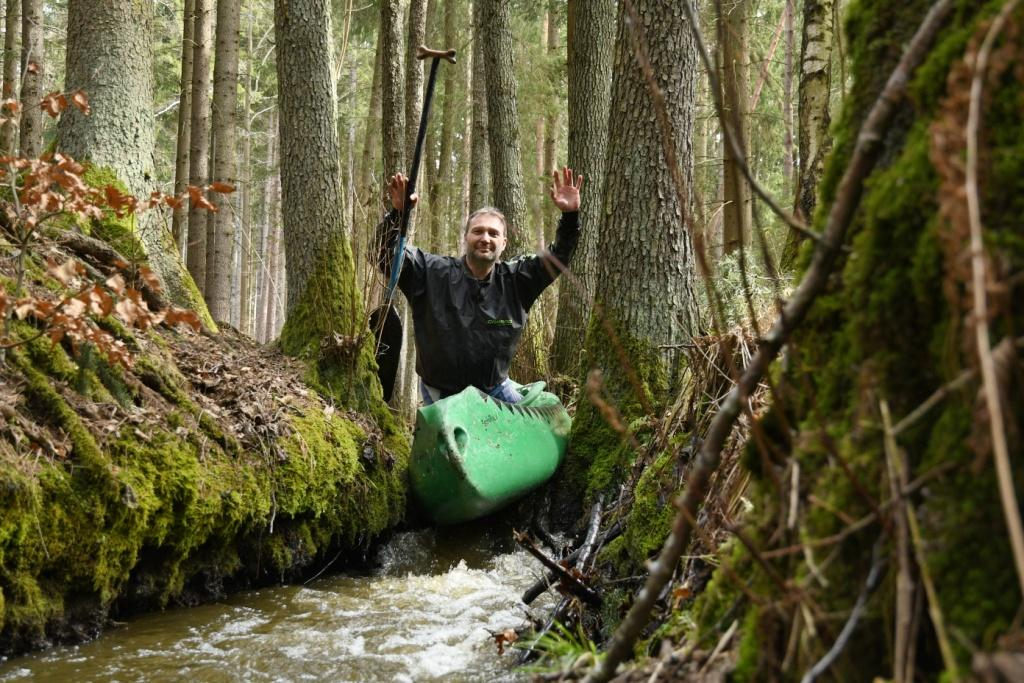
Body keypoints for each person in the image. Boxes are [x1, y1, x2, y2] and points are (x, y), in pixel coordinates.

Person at [375, 167, 583, 405]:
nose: (485, 238)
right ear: (466, 237)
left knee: (543, 422)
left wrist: (570, 217)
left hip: (496, 389)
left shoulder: (518, 280)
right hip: (443, 393)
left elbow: (559, 257)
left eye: (493, 234)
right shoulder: (430, 272)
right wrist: (398, 214)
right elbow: (382, 255)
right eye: (478, 232)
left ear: (503, 243)